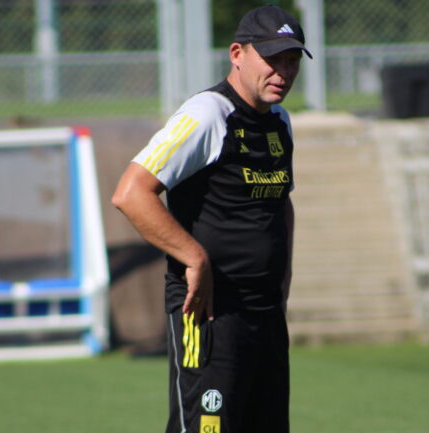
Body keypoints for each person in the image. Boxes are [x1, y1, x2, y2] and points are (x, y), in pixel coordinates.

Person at [112, 5, 311, 433]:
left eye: (292, 59)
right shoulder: (206, 114)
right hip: (209, 314)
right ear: (237, 53)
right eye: (272, 58)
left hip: (265, 312)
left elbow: (280, 203)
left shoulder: (279, 122)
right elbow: (131, 193)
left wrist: (284, 278)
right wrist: (195, 258)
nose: (284, 71)